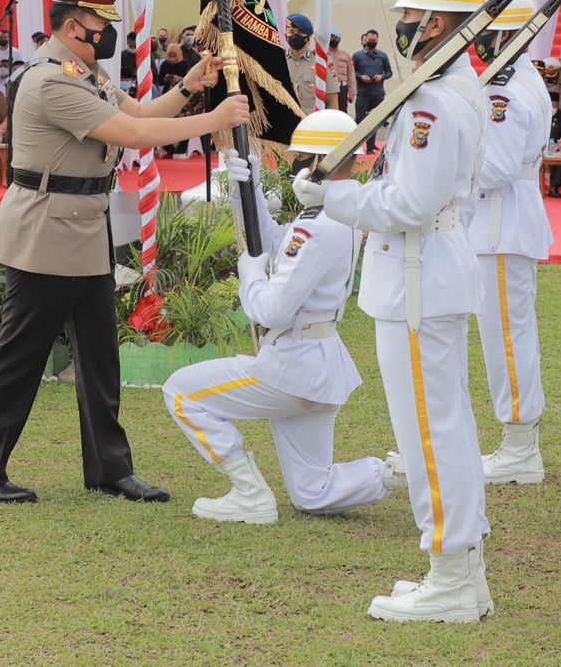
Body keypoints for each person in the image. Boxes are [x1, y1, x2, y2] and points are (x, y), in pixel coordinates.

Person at [0, 0, 244, 505]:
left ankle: (110, 469)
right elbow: (132, 135)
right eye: (100, 25)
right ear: (74, 26)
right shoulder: (52, 81)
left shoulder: (84, 71)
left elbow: (136, 113)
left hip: (84, 228)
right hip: (46, 232)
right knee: (18, 355)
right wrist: (212, 119)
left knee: (98, 356)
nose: (107, 35)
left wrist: (187, 88)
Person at [294, 0, 492, 624]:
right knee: (443, 427)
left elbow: (408, 203)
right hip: (422, 274)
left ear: (435, 22)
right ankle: (459, 568)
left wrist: (335, 197)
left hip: (417, 277)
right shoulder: (445, 86)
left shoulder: (435, 99)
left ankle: (452, 574)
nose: (401, 26)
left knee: (429, 435)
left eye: (409, 16)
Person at [163, 112, 402, 524]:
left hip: (291, 366)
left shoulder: (317, 228)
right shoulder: (336, 216)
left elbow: (271, 307)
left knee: (180, 393)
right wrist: (248, 187)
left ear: (319, 163)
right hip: (317, 363)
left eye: (300, 158)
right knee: (313, 492)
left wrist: (250, 272)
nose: (294, 166)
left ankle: (250, 493)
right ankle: (397, 471)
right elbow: (275, 240)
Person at [467, 0, 555, 486]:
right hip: (500, 219)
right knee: (506, 333)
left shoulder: (504, 88)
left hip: (499, 221)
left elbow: (495, 168)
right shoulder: (516, 77)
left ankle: (520, 445)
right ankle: (518, 441)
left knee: (506, 336)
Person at [351, 29, 392, 153]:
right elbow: (352, 73)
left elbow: (389, 72)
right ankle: (355, 146)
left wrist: (382, 76)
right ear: (365, 40)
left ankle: (370, 147)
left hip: (378, 93)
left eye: (374, 41)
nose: (372, 42)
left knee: (375, 121)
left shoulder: (383, 56)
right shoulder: (357, 56)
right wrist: (361, 77)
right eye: (370, 41)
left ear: (377, 40)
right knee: (360, 120)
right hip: (363, 92)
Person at [285, 13, 318, 114]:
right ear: (286, 35)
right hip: (284, 123)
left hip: (311, 124)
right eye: (291, 31)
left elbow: (332, 102)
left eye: (300, 32)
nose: (295, 35)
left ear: (308, 36)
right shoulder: (277, 60)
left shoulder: (319, 62)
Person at [327, 31, 354, 113]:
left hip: (342, 88)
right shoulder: (322, 54)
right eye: (331, 37)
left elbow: (351, 74)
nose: (334, 40)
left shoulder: (345, 55)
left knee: (342, 112)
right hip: (326, 88)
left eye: (336, 38)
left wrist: (352, 92)